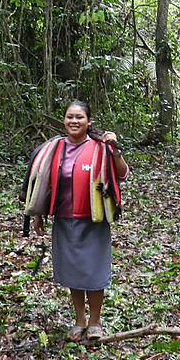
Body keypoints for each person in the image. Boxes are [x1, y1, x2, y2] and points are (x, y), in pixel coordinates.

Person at [23, 100, 129, 342]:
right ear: (64, 120)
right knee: (73, 272)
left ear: (88, 121)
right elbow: (42, 182)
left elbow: (122, 174)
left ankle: (95, 321)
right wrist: (37, 214)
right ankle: (80, 320)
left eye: (79, 117)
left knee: (93, 271)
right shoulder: (55, 148)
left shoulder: (100, 147)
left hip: (93, 219)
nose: (74, 121)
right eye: (70, 117)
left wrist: (115, 149)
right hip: (64, 218)